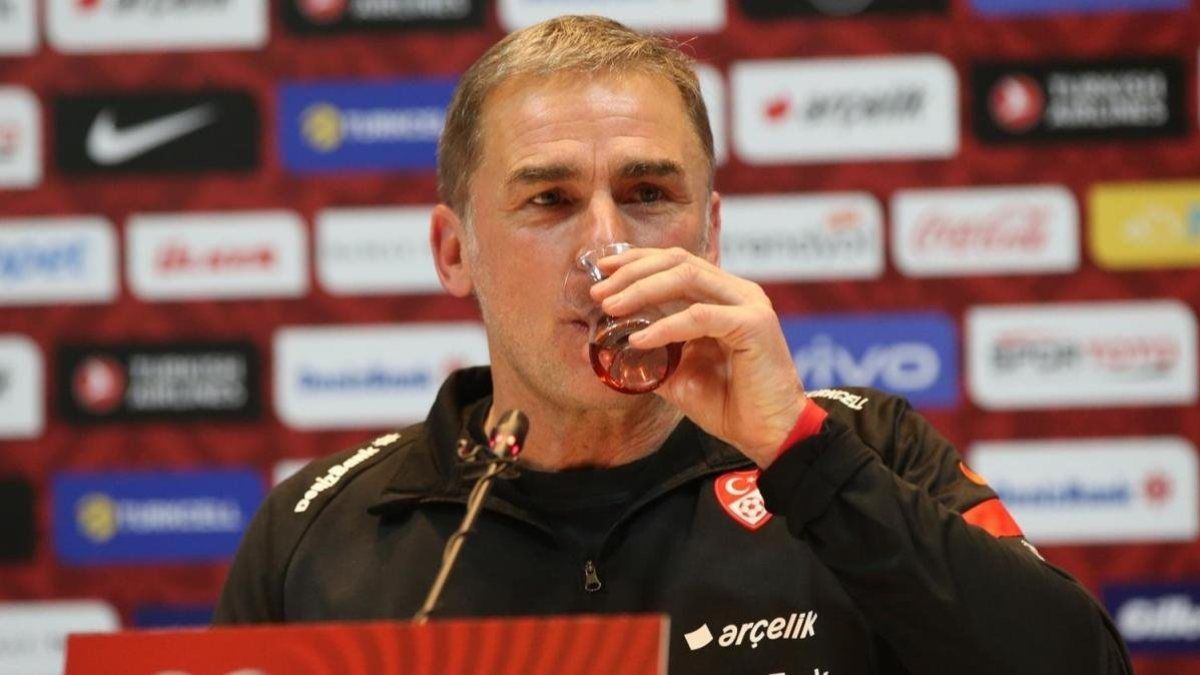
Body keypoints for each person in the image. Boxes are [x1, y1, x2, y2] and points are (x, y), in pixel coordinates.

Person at [215, 15, 1132, 675]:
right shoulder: (320, 529)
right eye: (549, 200)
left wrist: (799, 453)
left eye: (648, 194)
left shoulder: (863, 451)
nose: (606, 249)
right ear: (455, 252)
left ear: (710, 232)